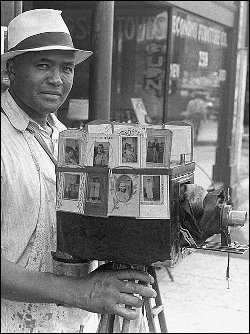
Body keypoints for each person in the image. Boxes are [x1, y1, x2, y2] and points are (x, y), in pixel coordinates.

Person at [1, 9, 156, 333]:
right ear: (11, 69)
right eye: (43, 64)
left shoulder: (68, 139)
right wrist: (81, 291)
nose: (57, 79)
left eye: (67, 68)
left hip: (70, 324)